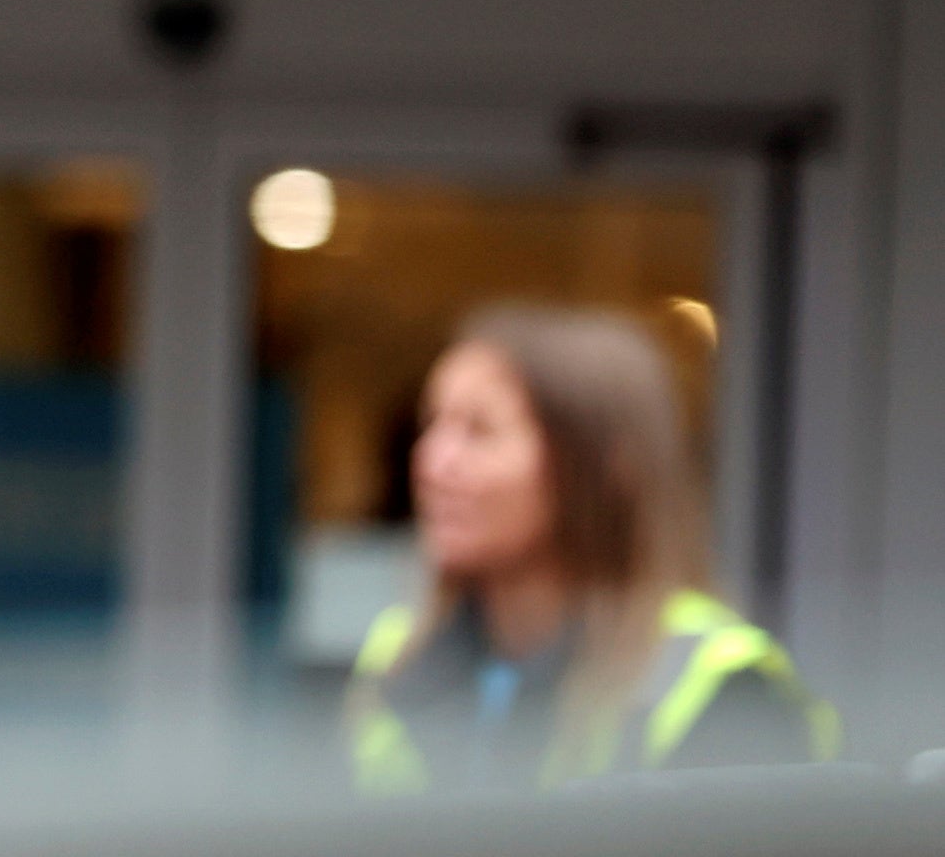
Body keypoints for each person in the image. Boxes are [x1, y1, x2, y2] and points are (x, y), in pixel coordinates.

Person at [346, 302, 833, 790]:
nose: (432, 462)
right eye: (431, 425)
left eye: (480, 431)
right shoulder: (397, 655)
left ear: (605, 466)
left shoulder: (722, 683)